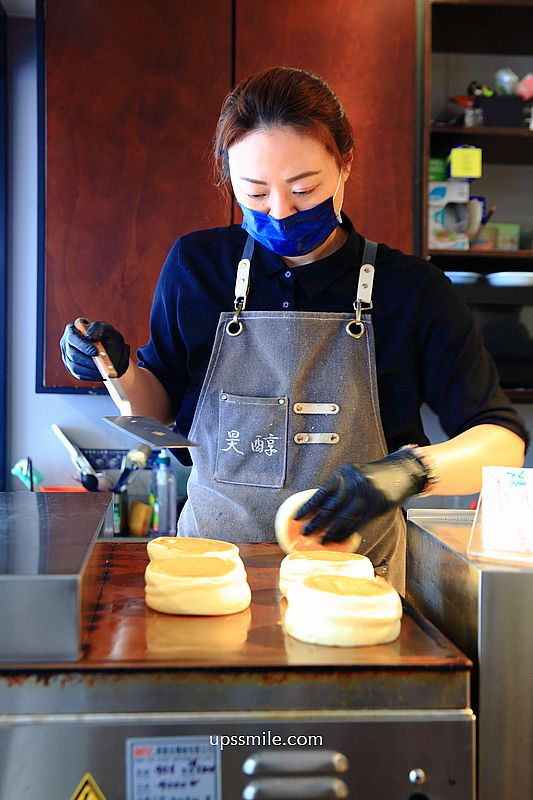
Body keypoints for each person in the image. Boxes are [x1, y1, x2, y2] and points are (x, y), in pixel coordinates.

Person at [60, 66, 528, 592]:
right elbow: (158, 413)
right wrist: (117, 368)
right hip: (208, 572)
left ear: (345, 164)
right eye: (255, 193)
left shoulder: (411, 290)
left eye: (305, 189)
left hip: (356, 585)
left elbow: (502, 441)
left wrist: (406, 473)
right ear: (227, 177)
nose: (280, 212)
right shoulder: (197, 266)